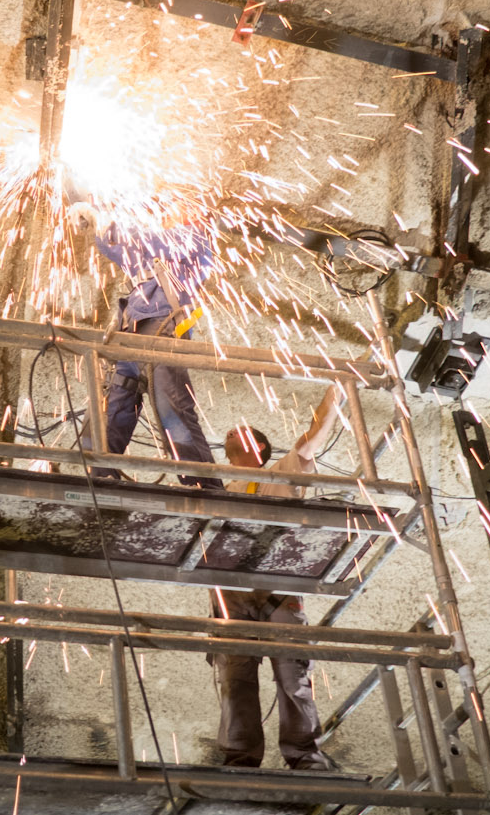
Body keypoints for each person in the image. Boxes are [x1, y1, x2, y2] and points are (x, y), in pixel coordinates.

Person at [209, 384, 345, 770]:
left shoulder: (282, 473)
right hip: (231, 594)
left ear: (261, 450)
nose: (234, 430)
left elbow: (311, 439)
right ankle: (240, 757)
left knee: (292, 675)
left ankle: (304, 756)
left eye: (244, 431)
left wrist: (335, 395)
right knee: (235, 681)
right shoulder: (215, 487)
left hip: (278, 589)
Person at [70, 201, 224, 490]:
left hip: (161, 328)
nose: (169, 212)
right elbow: (113, 245)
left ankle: (204, 485)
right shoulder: (147, 248)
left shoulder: (196, 241)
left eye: (179, 209)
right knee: (112, 403)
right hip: (130, 328)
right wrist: (96, 222)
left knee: (171, 404)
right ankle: (98, 478)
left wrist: (104, 216)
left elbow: (151, 240)